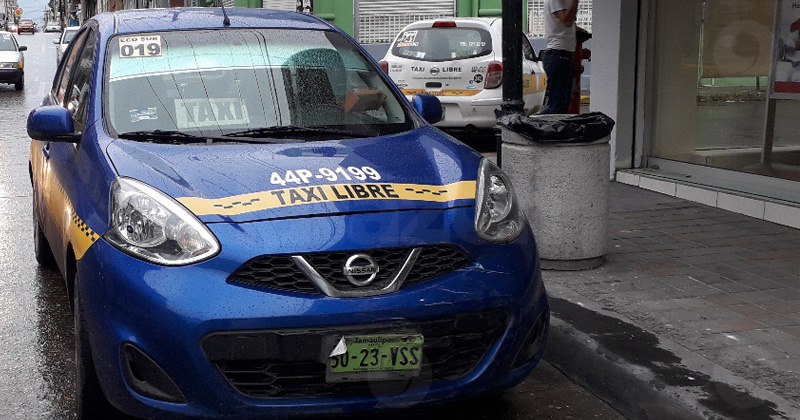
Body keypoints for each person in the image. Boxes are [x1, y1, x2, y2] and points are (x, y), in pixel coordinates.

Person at [540, 0, 579, 114]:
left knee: (562, 105)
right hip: (558, 55)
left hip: (564, 55)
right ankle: (532, 124)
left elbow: (565, 25)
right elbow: (567, 21)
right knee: (557, 107)